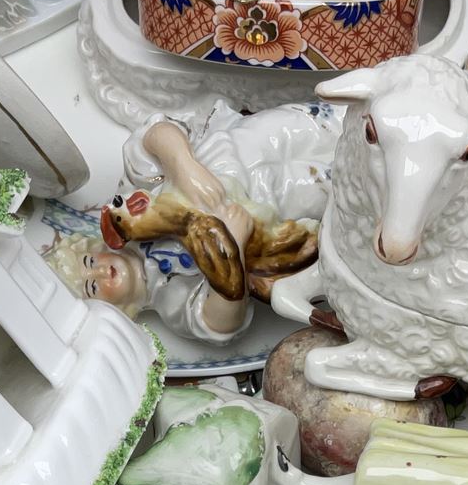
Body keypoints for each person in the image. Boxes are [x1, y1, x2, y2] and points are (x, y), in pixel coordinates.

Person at [43, 100, 335, 343]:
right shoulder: (172, 301)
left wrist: (183, 166)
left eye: (90, 264)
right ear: (113, 312)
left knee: (334, 121)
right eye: (94, 288)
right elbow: (221, 324)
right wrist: (230, 250)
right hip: (284, 204)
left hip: (246, 145)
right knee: (356, 176)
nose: (101, 272)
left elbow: (154, 134)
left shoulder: (128, 205)